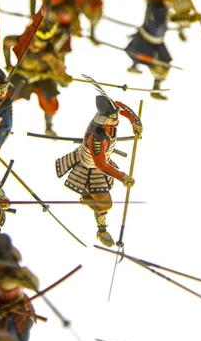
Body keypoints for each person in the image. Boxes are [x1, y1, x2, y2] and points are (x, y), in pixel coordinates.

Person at [56, 95, 142, 246]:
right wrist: (122, 177)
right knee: (105, 204)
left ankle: (100, 227)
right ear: (104, 118)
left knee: (103, 201)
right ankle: (91, 208)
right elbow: (100, 165)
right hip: (90, 167)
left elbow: (121, 106)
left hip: (103, 160)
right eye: (113, 116)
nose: (116, 118)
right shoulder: (97, 137)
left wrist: (135, 121)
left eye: (115, 115)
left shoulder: (109, 116)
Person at [3, 19, 71, 136]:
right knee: (5, 97)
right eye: (36, 41)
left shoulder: (49, 54)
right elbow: (6, 42)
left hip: (42, 79)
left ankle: (48, 126)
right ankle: (0, 122)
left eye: (41, 43)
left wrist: (63, 79)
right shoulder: (21, 41)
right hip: (22, 76)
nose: (37, 46)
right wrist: (8, 64)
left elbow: (58, 68)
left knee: (50, 101)